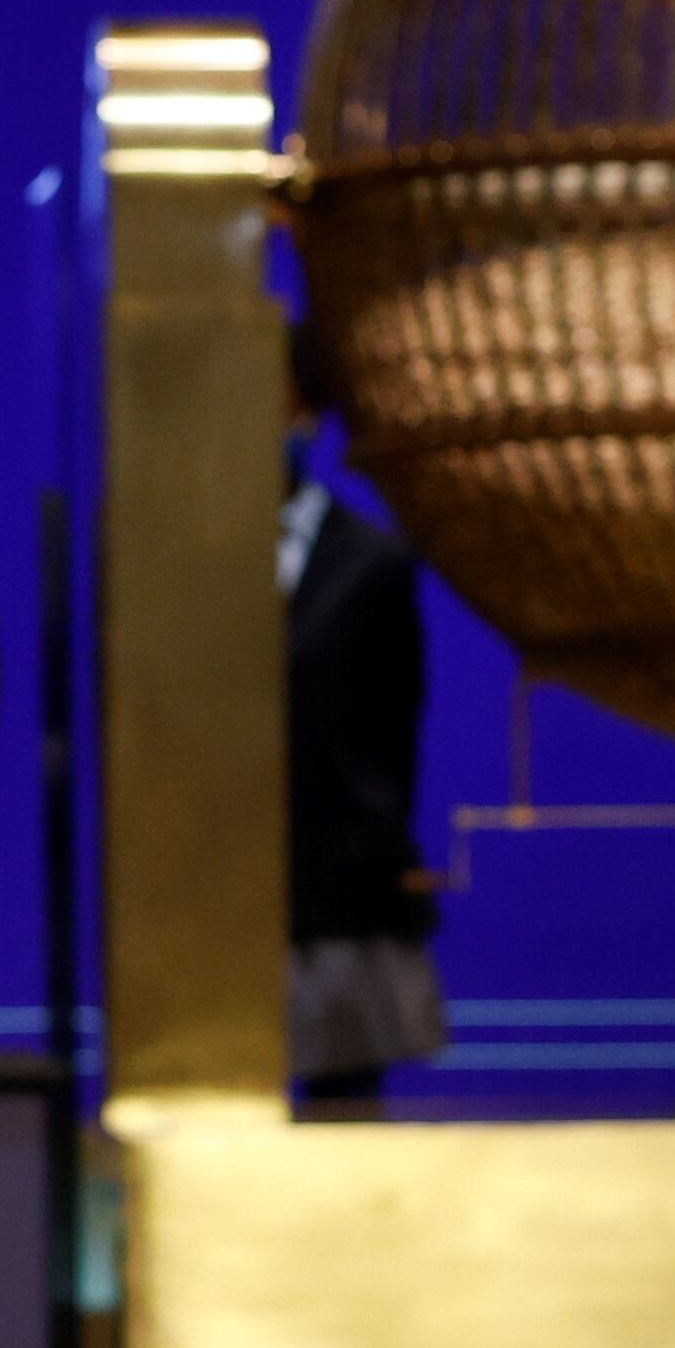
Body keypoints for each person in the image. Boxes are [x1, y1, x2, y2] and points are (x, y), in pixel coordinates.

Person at [279, 319, 442, 1107]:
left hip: (338, 903)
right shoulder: (163, 558)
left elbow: (391, 735)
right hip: (198, 900)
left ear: (305, 407)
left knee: (344, 1122)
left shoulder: (371, 563)